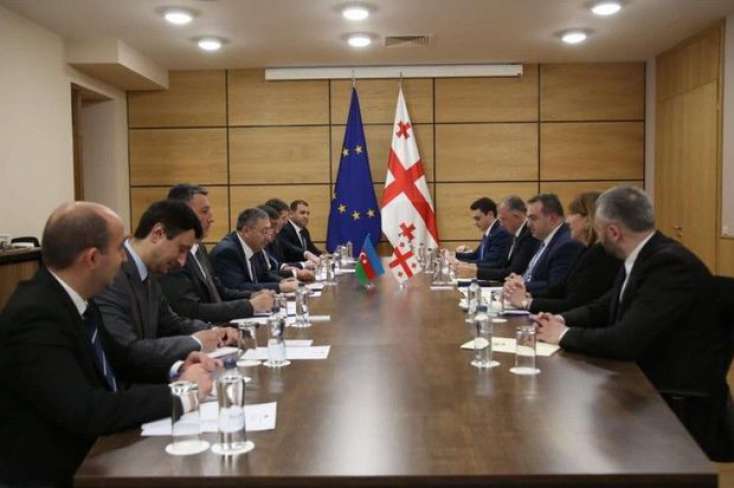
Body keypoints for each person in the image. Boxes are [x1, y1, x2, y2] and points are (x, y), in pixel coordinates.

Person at [0, 202, 217, 487]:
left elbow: (121, 359)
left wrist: (176, 368)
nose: (125, 258)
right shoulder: (36, 315)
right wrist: (180, 394)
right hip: (60, 471)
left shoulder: (78, 301)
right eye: (118, 249)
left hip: (98, 454)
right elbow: (86, 410)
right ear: (92, 258)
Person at [535, 186, 730, 459]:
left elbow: (624, 341)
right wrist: (561, 319)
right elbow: (604, 306)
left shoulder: (669, 265)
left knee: (568, 426)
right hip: (641, 379)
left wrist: (563, 335)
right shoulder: (644, 255)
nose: (598, 238)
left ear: (614, 232)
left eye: (599, 229)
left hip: (669, 398)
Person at [97, 200, 239, 372]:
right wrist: (196, 342)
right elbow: (128, 351)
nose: (182, 262)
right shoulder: (112, 275)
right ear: (158, 234)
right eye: (181, 249)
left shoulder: (149, 273)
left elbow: (171, 324)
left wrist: (214, 332)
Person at [159, 184, 274, 322]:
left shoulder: (199, 247)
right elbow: (190, 310)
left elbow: (219, 291)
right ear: (182, 214)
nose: (211, 218)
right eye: (204, 211)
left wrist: (252, 295)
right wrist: (249, 306)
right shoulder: (173, 256)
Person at [504, 191, 621, 313]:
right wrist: (527, 295)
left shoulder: (598, 254)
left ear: (588, 219)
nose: (567, 220)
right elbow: (561, 290)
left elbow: (574, 303)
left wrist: (526, 302)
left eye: (572, 213)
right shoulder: (586, 250)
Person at [503, 193, 583, 295]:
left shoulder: (566, 244)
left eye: (533, 218)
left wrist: (522, 284)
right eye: (528, 218)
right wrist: (519, 279)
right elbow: (533, 275)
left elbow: (554, 286)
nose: (528, 224)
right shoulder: (543, 238)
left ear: (552, 218)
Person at [210, 207, 299, 293]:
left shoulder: (255, 247)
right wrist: (279, 287)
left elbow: (263, 276)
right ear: (246, 231)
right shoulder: (227, 252)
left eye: (269, 231)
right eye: (264, 232)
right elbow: (238, 287)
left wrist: (282, 281)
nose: (268, 238)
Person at [455, 195, 539, 282]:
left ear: (516, 216)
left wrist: (476, 272)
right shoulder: (515, 234)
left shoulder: (527, 236)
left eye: (503, 219)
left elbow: (511, 271)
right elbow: (501, 265)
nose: (501, 224)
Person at [259, 204, 314, 281]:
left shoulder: (304, 231)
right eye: (283, 218)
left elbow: (275, 265)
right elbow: (264, 275)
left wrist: (291, 270)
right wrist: (297, 270)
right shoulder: (284, 231)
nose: (286, 222)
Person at [455, 197, 512, 268]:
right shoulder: (489, 232)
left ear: (490, 214)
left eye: (477, 218)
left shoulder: (500, 233)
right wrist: (455, 256)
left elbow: (489, 262)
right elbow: (475, 255)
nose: (475, 223)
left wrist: (458, 263)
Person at [278, 199, 323, 263]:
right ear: (291, 214)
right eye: (302, 213)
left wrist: (323, 256)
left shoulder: (304, 231)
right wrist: (306, 254)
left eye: (308, 213)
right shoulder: (284, 228)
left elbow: (312, 249)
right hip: (290, 266)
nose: (306, 216)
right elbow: (290, 249)